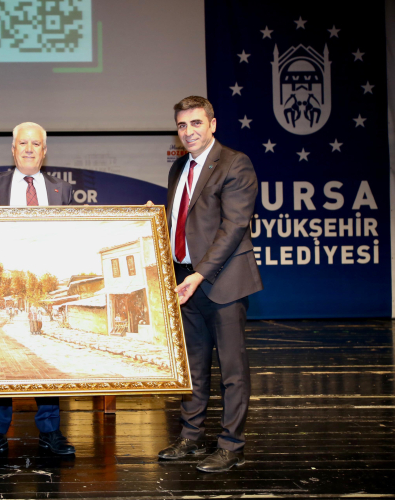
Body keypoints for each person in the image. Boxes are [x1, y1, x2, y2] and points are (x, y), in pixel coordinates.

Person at [149, 96, 262, 472]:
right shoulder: (178, 167)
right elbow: (181, 223)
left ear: (212, 124)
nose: (189, 131)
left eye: (196, 123)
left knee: (232, 369)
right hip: (184, 280)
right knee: (193, 367)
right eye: (182, 125)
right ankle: (191, 437)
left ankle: (231, 446)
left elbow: (234, 228)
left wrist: (199, 274)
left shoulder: (234, 163)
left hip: (222, 280)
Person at [0, 121, 75, 458]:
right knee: (1, 362)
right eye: (23, 143)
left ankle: (50, 431)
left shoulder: (62, 190)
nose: (29, 149)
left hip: (43, 278)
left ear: (44, 151)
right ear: (13, 149)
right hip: (11, 276)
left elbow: (75, 232)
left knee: (45, 359)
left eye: (36, 144)